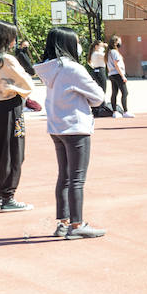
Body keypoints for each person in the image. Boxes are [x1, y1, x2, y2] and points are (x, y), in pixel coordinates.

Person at [35, 26, 107, 238]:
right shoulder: (73, 68)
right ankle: (77, 225)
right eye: (76, 41)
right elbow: (99, 96)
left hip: (56, 126)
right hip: (76, 127)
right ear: (68, 43)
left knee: (64, 177)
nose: (79, 45)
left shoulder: (48, 68)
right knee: (77, 178)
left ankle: (63, 222)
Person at [0, 19, 35, 211]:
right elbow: (28, 84)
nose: (14, 40)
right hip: (11, 109)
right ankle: (9, 197)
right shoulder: (8, 60)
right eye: (12, 36)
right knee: (14, 152)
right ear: (6, 38)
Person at [106, 36, 134, 117]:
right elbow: (116, 64)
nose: (120, 43)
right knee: (125, 92)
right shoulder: (114, 52)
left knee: (114, 92)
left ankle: (115, 112)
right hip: (117, 74)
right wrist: (122, 76)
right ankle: (125, 111)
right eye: (119, 41)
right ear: (115, 43)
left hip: (111, 74)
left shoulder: (109, 52)